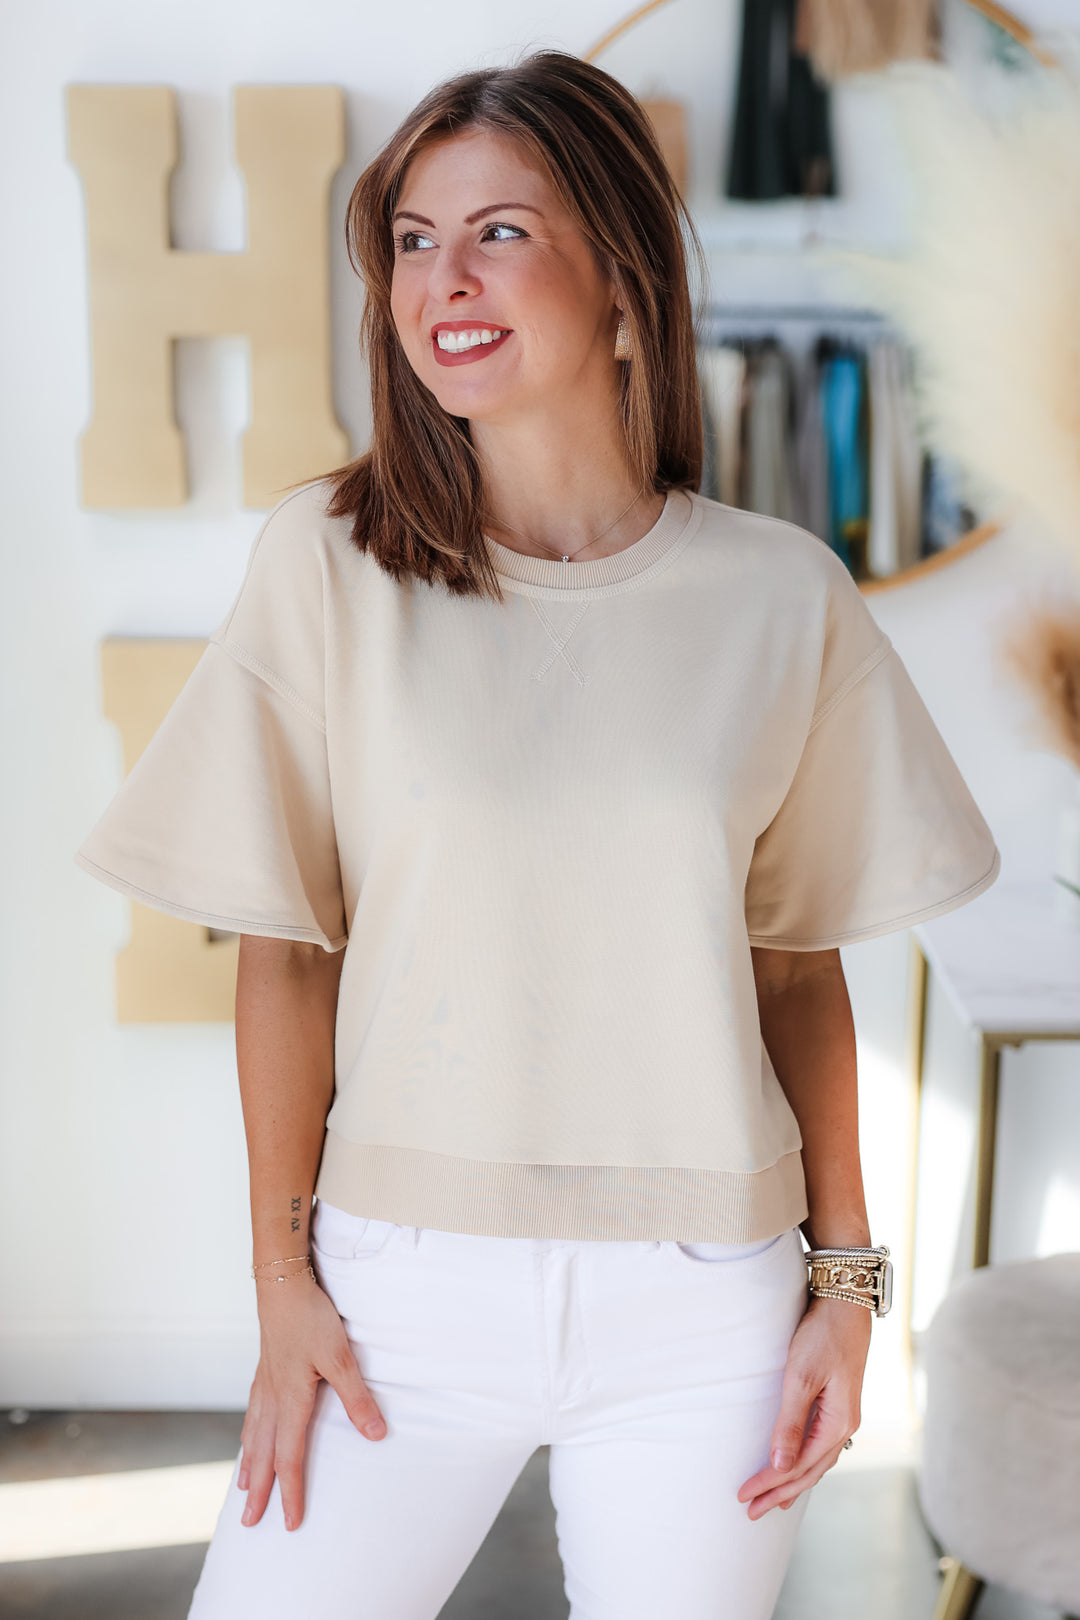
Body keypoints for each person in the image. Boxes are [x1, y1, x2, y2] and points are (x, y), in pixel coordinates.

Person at [73, 48, 1001, 1620]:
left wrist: (849, 1288)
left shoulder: (781, 597)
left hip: (707, 1313)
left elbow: (793, 971)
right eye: (415, 241)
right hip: (395, 1301)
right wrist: (279, 1282)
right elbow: (288, 960)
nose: (446, 278)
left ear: (625, 278)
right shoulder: (327, 564)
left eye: (500, 231)